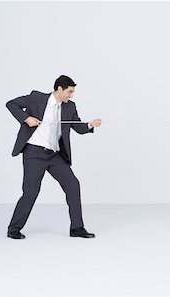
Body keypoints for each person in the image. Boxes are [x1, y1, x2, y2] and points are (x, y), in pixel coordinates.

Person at [6, 75, 101, 239]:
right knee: (31, 192)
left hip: (54, 155)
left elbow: (78, 127)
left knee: (73, 185)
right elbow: (11, 104)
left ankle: (77, 228)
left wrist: (90, 124)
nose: (71, 95)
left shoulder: (70, 107)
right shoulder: (36, 98)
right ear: (59, 89)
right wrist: (26, 118)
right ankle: (13, 229)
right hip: (34, 153)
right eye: (69, 92)